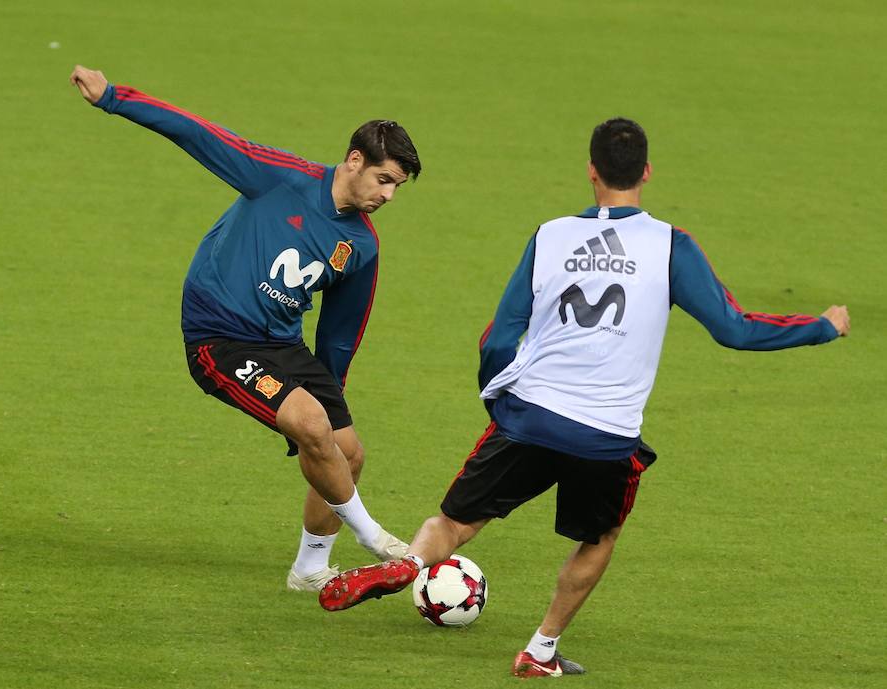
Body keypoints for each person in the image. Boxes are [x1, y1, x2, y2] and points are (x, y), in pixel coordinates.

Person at [317, 118, 850, 677]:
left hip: (528, 417)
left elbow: (497, 338)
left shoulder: (549, 235)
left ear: (591, 172)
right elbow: (734, 329)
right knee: (599, 536)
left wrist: (500, 403)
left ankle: (409, 564)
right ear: (645, 172)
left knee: (454, 524)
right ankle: (539, 650)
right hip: (605, 434)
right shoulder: (671, 245)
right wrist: (820, 326)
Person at [70, 65, 422, 592]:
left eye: (397, 186)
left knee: (347, 452)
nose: (389, 196)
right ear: (355, 161)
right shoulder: (280, 178)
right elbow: (198, 132)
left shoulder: (363, 247)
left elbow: (339, 334)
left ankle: (309, 570)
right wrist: (115, 98)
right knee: (311, 425)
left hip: (282, 343)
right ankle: (373, 536)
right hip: (218, 336)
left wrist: (330, 400)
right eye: (384, 180)